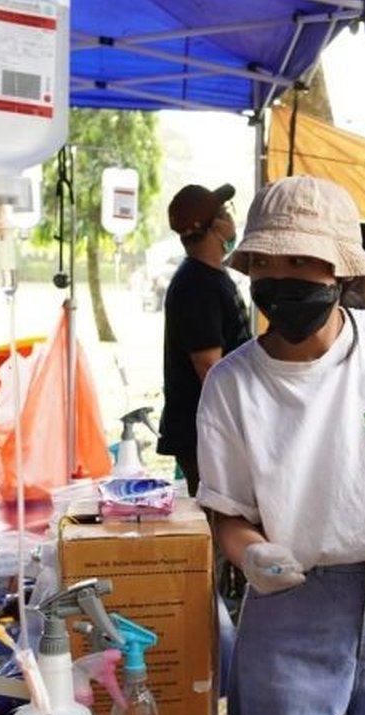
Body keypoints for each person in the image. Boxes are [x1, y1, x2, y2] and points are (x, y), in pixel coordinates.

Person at [195, 175, 365, 715]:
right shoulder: (231, 383)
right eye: (267, 264)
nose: (279, 278)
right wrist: (252, 553)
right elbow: (228, 517)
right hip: (289, 604)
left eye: (299, 262)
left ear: (338, 269)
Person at [157, 183, 251, 497]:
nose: (231, 219)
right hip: (205, 430)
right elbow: (210, 367)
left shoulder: (209, 277)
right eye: (225, 213)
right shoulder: (197, 285)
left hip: (211, 427)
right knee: (218, 515)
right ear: (215, 228)